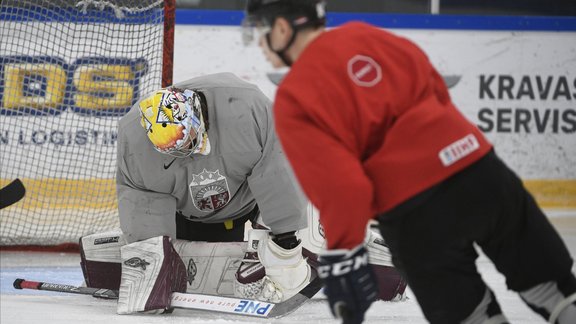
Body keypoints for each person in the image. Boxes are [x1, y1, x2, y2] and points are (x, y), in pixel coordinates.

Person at [242, 1, 576, 324]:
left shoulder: (295, 97)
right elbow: (437, 94)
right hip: (483, 173)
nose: (260, 43)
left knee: (473, 317)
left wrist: (344, 256)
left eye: (261, 30)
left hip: (416, 215)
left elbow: (343, 187)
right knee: (555, 291)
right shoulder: (370, 36)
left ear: (283, 27)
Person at [78, 72, 406, 315]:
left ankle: (358, 247)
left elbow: (278, 174)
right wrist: (151, 262)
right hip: (192, 218)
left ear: (197, 116)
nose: (186, 153)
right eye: (173, 150)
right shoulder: (135, 142)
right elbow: (143, 206)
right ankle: (252, 261)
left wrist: (286, 241)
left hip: (252, 208)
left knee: (316, 213)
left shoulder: (245, 107)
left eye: (189, 142)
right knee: (166, 257)